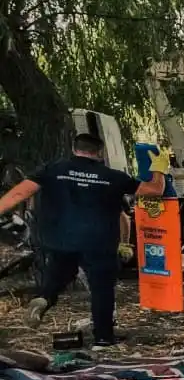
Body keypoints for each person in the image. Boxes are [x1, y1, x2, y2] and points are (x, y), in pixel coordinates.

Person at [0, 133, 168, 348]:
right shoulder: (113, 176)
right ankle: (103, 338)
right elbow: (154, 191)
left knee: (59, 273)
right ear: (99, 153)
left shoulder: (53, 170)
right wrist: (159, 169)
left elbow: (18, 194)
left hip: (59, 240)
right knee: (101, 290)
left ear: (74, 148)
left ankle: (44, 298)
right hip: (99, 243)